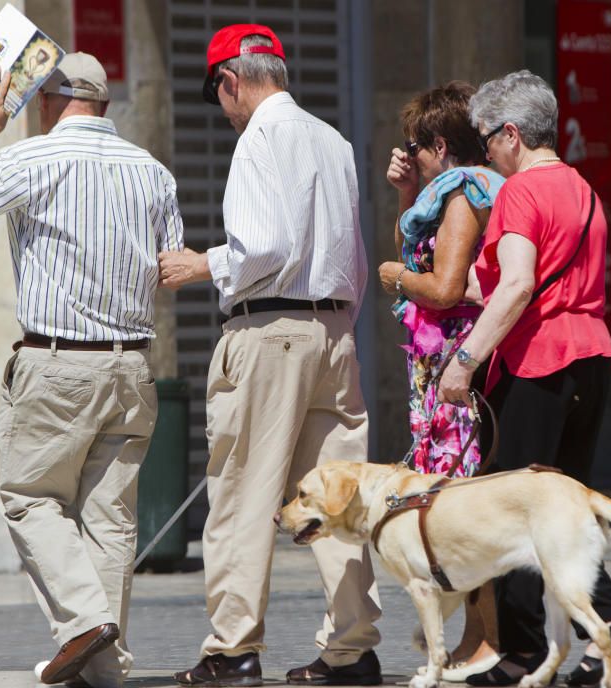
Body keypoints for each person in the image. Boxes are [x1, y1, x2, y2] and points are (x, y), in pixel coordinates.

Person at [0, 53, 184, 688]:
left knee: (29, 497)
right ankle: (104, 669)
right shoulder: (152, 171)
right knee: (109, 520)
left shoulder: (33, 156)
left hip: (57, 363)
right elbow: (169, 267)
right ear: (103, 103)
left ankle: (84, 623)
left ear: (45, 100)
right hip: (132, 367)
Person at [158, 23, 382, 688]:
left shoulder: (259, 138)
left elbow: (265, 246)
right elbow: (353, 255)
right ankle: (353, 647)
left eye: (220, 97)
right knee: (339, 498)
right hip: (334, 331)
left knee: (242, 494)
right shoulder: (332, 140)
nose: (224, 113)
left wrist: (203, 262)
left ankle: (233, 649)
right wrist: (336, 326)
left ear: (231, 81)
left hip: (269, 332)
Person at [437, 69, 611, 687]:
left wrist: (466, 359)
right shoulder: (582, 189)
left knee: (512, 512)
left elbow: (522, 283)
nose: (484, 153)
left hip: (537, 362)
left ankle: (524, 655)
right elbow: (522, 276)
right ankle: (609, 624)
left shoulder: (521, 193)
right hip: (591, 357)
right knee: (565, 512)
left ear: (510, 134)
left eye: (485, 139)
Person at [376, 81, 505, 682]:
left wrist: (397, 275)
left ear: (437, 143)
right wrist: (406, 192)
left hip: (455, 369)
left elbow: (445, 287)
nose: (411, 157)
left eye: (415, 146)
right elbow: (430, 263)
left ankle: (485, 642)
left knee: (460, 504)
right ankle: (478, 638)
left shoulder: (462, 197)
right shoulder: (452, 193)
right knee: (456, 501)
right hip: (444, 365)